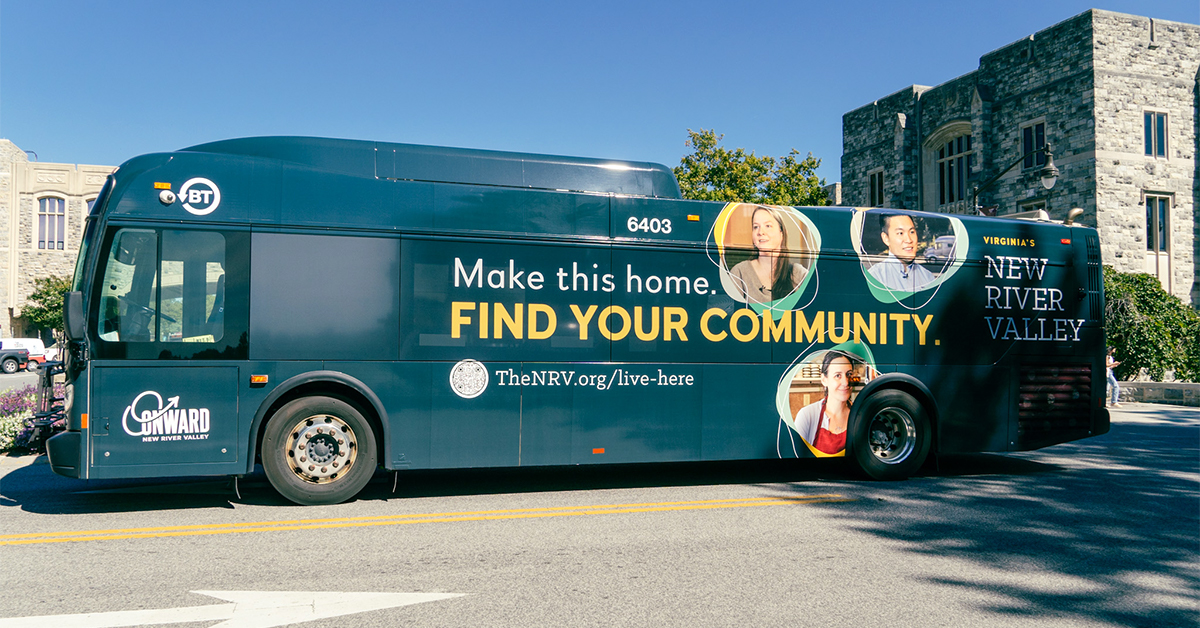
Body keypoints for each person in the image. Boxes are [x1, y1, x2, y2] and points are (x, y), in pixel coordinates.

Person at [728, 206, 807, 304]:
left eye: (768, 226)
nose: (760, 232)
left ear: (782, 233)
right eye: (756, 227)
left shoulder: (798, 273)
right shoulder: (740, 272)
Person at [793, 351, 858, 455]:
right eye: (838, 375)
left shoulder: (861, 414)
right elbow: (795, 457)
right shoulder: (807, 415)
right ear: (824, 380)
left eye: (849, 374)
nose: (846, 382)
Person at [868, 213, 936, 292]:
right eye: (900, 233)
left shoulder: (928, 277)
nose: (909, 240)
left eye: (912, 232)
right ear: (886, 238)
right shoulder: (875, 277)